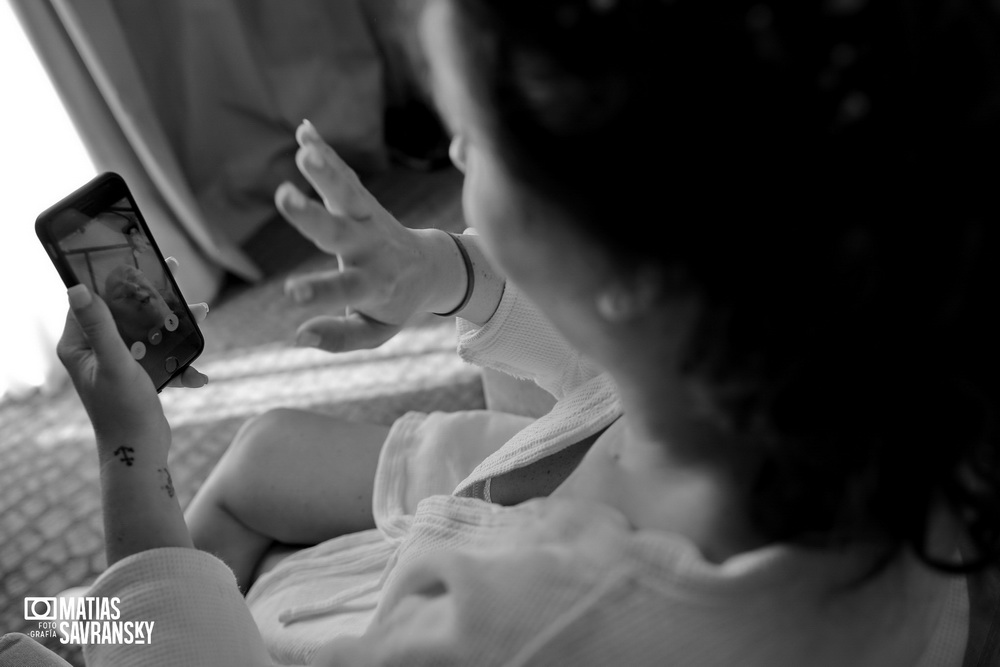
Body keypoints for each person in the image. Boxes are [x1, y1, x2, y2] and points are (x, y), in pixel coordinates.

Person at [53, 0, 1000, 664]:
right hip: (542, 489)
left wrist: (130, 460)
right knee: (263, 452)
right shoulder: (835, 352)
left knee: (74, 638)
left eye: (470, 138)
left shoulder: (515, 632)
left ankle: (83, 626)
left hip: (431, 582)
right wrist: (451, 276)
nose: (452, 156)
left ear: (616, 259)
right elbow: (604, 354)